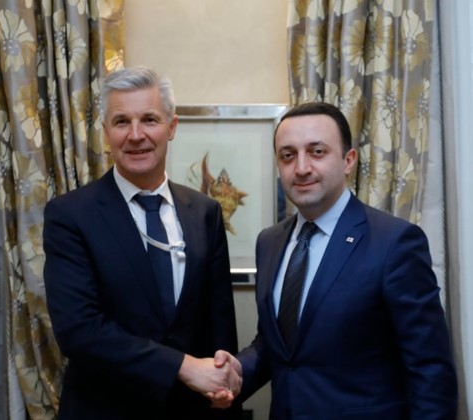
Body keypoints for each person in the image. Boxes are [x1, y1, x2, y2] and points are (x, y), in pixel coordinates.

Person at [213, 102, 458, 419]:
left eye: (317, 152)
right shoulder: (269, 242)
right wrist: (237, 371)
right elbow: (279, 344)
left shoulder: (395, 243)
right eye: (288, 155)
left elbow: (430, 372)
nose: (301, 167)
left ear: (348, 160)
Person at [43, 66, 242, 419]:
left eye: (149, 119)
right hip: (104, 410)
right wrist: (183, 367)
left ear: (172, 127)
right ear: (106, 131)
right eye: (122, 122)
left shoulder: (204, 212)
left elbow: (219, 322)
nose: (136, 135)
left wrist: (223, 382)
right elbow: (79, 330)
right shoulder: (70, 215)